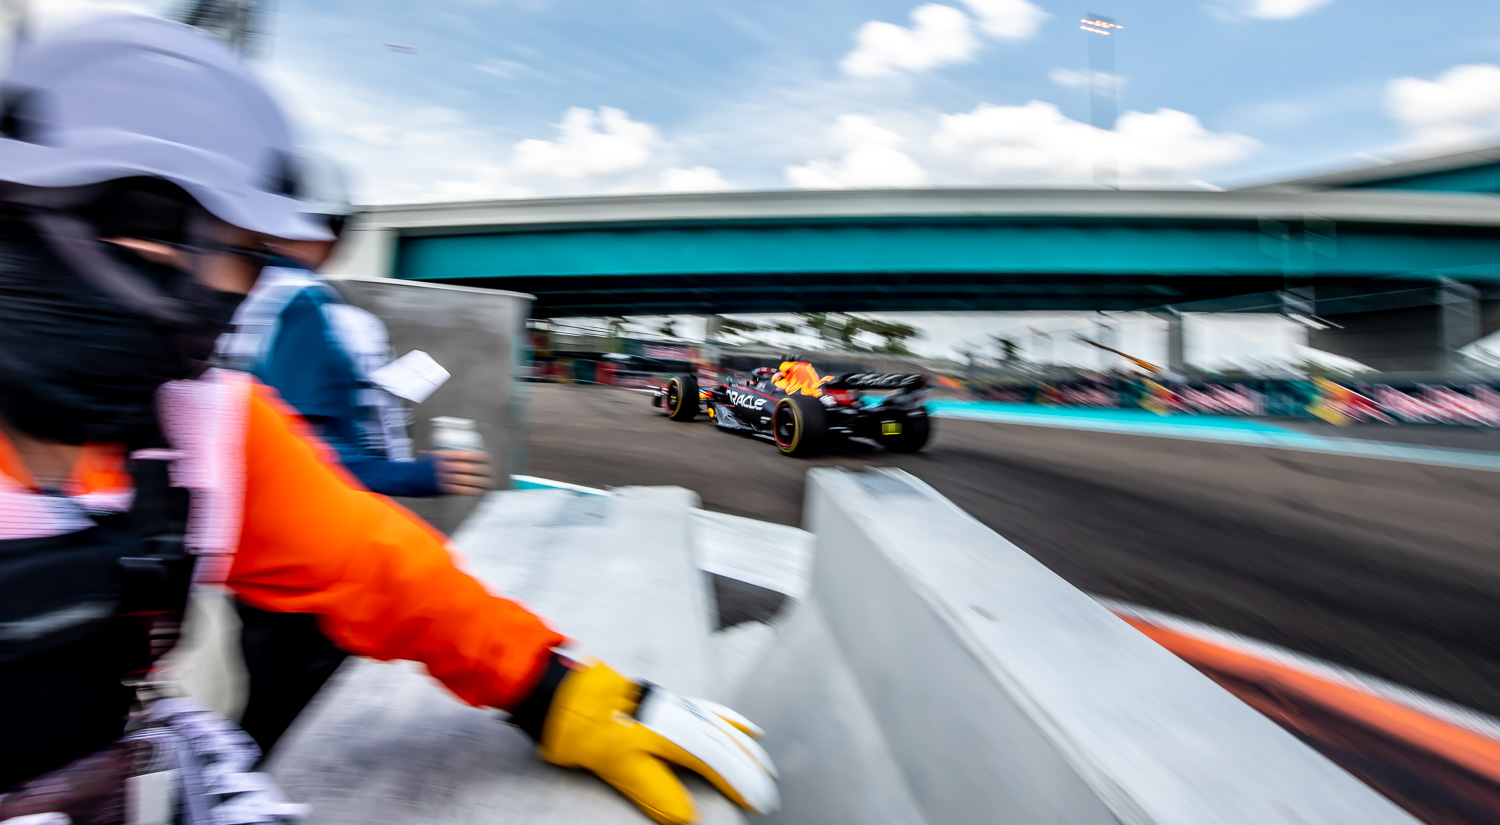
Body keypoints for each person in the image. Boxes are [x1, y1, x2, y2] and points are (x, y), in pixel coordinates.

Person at [0, 16, 776, 825]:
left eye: (249, 253)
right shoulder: (278, 347)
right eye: (213, 245)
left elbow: (384, 569)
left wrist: (555, 689)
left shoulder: (200, 436)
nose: (226, 293)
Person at [215, 154, 491, 755]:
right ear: (328, 228)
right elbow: (309, 457)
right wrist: (420, 473)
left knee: (269, 702)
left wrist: (373, 393)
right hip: (313, 552)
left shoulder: (240, 300)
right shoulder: (305, 307)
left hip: (252, 547)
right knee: (296, 725)